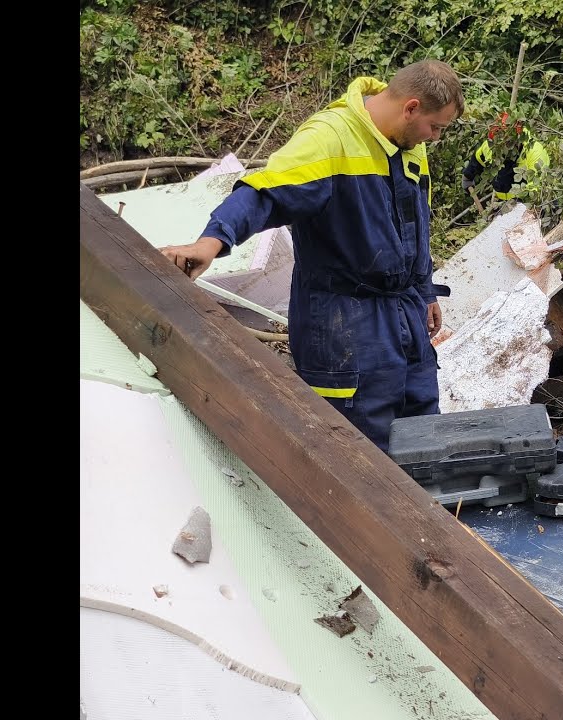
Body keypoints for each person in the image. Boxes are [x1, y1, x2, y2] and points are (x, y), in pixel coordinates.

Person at [158, 59, 464, 452]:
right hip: (344, 324)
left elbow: (414, 225)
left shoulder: (411, 146)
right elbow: (262, 193)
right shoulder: (329, 138)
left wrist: (424, 291)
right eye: (435, 127)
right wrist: (211, 243)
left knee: (423, 431)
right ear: (411, 107)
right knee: (357, 448)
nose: (435, 138)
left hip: (402, 315)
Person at [461, 112, 549, 203]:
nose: (503, 148)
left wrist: (517, 207)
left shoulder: (535, 152)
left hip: (529, 204)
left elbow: (536, 190)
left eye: (506, 144)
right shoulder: (491, 147)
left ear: (518, 140)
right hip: (500, 202)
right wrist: (468, 176)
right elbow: (478, 158)